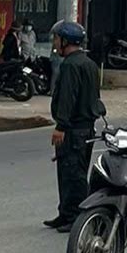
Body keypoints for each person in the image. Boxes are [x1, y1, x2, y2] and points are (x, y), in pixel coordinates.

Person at [46, 21, 102, 229]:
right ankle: (66, 212)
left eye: (57, 39)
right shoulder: (88, 63)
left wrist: (61, 126)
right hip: (85, 127)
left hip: (73, 129)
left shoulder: (70, 65)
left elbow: (68, 98)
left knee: (74, 175)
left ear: (65, 41)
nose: (55, 43)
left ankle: (77, 217)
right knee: (68, 172)